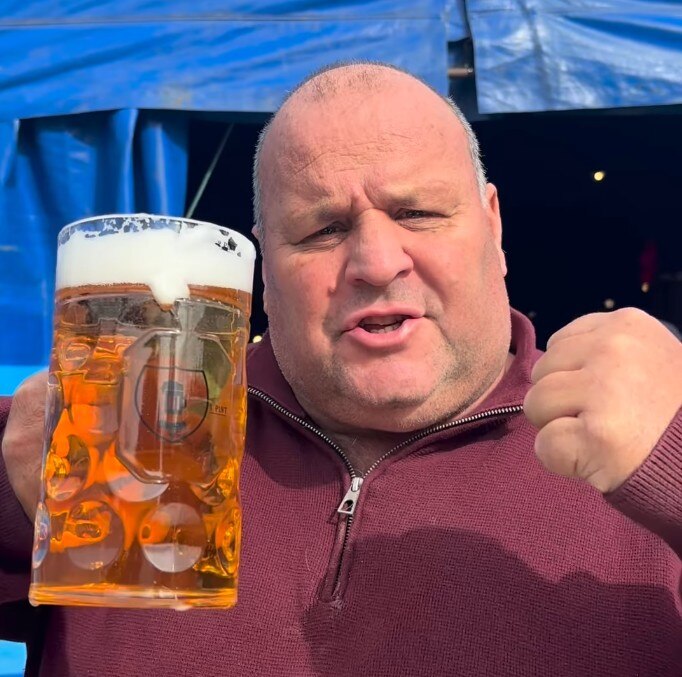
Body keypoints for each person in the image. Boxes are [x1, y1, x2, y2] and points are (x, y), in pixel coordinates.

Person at [1, 62, 681, 676]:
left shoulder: (637, 444)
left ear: (493, 226)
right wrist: (9, 492)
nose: (377, 263)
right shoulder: (119, 446)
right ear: (263, 267)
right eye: (322, 229)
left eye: (418, 212)